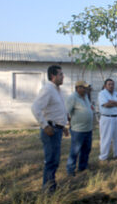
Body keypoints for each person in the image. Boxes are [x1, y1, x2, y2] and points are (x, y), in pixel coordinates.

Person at [31, 65, 68, 193]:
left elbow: (56, 111)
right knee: (51, 161)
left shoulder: (57, 90)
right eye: (60, 74)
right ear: (53, 76)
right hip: (50, 131)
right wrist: (45, 125)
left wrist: (63, 127)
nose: (63, 77)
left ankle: (51, 186)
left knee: (55, 160)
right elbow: (35, 108)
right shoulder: (48, 89)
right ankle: (48, 190)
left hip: (57, 129)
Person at [66, 81, 93, 176]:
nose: (86, 90)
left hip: (88, 129)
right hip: (78, 130)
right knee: (75, 150)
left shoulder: (85, 97)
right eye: (84, 88)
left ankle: (83, 167)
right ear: (78, 88)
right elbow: (66, 112)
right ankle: (70, 169)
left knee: (86, 149)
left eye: (86, 88)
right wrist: (67, 124)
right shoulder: (72, 98)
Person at [98, 79, 117, 160]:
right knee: (106, 138)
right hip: (106, 117)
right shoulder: (102, 93)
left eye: (112, 84)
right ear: (105, 85)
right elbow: (106, 105)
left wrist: (112, 102)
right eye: (109, 84)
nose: (111, 86)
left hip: (116, 117)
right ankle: (103, 157)